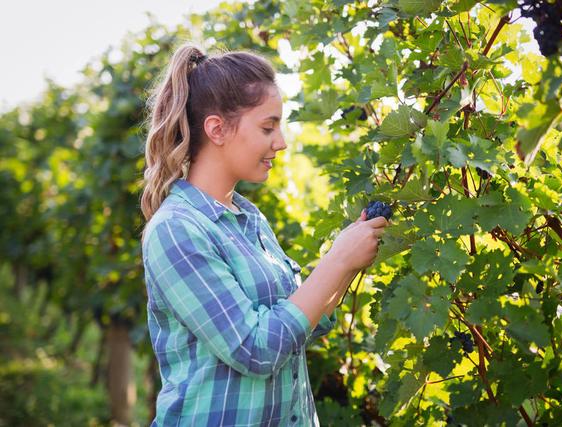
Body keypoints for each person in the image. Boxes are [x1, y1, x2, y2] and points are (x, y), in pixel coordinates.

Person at [139, 43, 390, 426]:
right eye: (267, 127)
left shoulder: (249, 218)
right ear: (217, 129)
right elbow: (254, 349)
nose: (282, 141)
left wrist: (349, 260)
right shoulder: (177, 230)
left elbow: (304, 324)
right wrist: (337, 259)